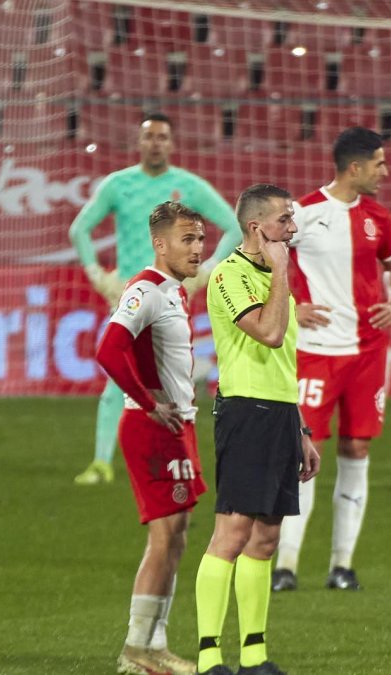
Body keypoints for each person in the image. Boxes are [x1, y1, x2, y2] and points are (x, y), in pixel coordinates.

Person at [71, 112, 242, 486]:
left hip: (171, 294)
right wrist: (96, 274)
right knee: (121, 373)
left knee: (166, 378)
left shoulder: (188, 186)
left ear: (172, 143)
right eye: (149, 136)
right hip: (131, 294)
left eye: (162, 137)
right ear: (139, 142)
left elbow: (233, 227)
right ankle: (102, 461)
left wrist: (208, 269)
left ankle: (169, 458)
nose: (155, 143)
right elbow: (79, 229)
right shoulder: (118, 185)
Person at [271, 127, 391, 592]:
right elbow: (261, 261)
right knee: (302, 454)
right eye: (379, 164)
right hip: (315, 353)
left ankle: (342, 565)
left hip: (367, 352)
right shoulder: (303, 213)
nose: (385, 172)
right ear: (355, 167)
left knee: (357, 449)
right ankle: (286, 565)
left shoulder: (378, 217)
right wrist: (292, 308)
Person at [196, 184, 321, 675]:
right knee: (231, 534)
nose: (292, 227)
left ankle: (253, 656)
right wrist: (282, 271)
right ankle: (209, 656)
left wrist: (301, 427)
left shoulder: (275, 278)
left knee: (266, 538)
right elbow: (269, 335)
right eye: (284, 219)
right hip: (245, 412)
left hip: (282, 414)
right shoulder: (229, 275)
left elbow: (285, 361)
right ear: (256, 227)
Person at [94, 202, 208, 675]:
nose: (198, 249)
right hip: (153, 429)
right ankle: (136, 650)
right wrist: (147, 402)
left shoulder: (174, 290)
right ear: (160, 244)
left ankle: (154, 645)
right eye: (188, 239)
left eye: (200, 239)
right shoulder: (146, 289)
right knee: (164, 539)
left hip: (178, 426)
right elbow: (108, 349)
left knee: (176, 537)